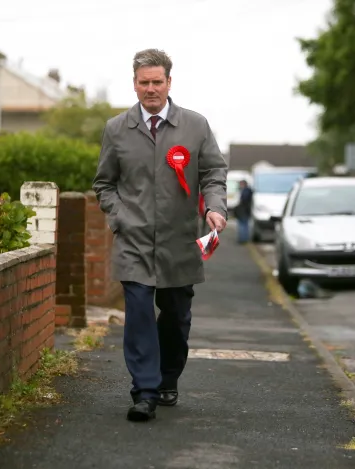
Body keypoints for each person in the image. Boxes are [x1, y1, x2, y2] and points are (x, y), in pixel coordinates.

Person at [92, 48, 228, 422]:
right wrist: (119, 217)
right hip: (133, 242)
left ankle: (168, 378)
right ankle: (145, 391)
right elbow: (104, 184)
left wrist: (214, 207)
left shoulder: (195, 126)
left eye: (157, 82)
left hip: (180, 241)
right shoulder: (117, 129)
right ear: (134, 84)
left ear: (169, 82)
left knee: (176, 316)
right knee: (137, 312)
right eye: (143, 82)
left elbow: (214, 174)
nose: (150, 89)